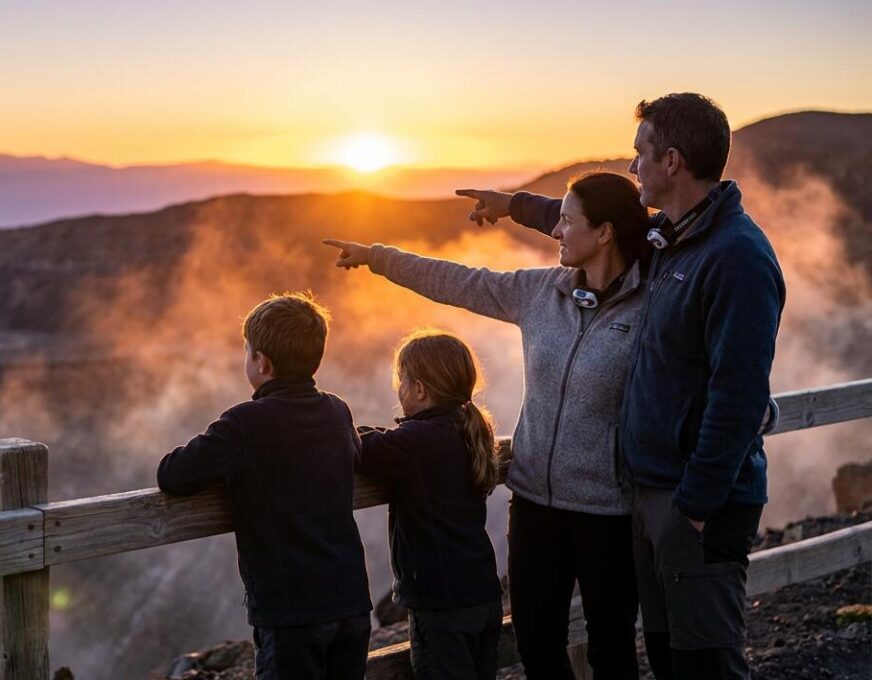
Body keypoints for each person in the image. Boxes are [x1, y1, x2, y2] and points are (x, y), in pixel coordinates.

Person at [459, 93, 787, 680]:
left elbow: (738, 398)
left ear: (672, 161)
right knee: (665, 657)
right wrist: (513, 205)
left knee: (705, 664)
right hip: (651, 495)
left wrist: (694, 509)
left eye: (641, 153)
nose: (632, 165)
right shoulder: (670, 240)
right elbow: (592, 222)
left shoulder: (735, 257)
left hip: (695, 503)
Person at [324, 171, 650, 680]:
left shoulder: (653, 306)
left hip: (608, 512)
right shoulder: (540, 292)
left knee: (612, 649)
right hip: (535, 508)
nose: (556, 230)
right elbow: (461, 281)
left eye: (567, 221)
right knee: (537, 646)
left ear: (605, 232)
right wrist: (379, 258)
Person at [156, 292, 372, 680]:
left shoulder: (244, 424)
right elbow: (355, 455)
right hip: (350, 600)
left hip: (291, 612)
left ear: (262, 362)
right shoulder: (337, 411)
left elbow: (173, 475)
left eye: (247, 351)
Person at [356, 329, 503, 680]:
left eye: (402, 380)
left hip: (441, 604)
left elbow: (358, 447)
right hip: (483, 594)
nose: (399, 389)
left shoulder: (416, 442)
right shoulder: (470, 430)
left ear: (420, 389)